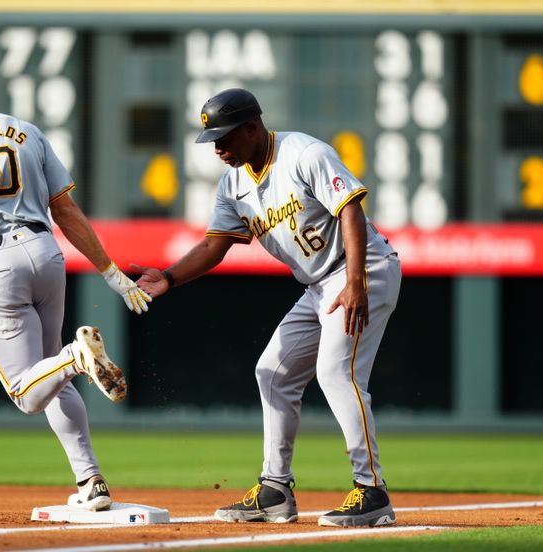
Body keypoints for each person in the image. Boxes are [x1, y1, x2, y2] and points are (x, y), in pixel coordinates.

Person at [133, 88, 401, 527]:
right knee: (272, 372)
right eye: (212, 139)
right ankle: (275, 490)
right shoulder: (233, 183)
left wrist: (356, 282)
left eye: (225, 137)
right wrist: (169, 277)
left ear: (254, 129)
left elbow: (350, 210)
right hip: (318, 284)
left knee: (337, 372)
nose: (217, 147)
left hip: (363, 267)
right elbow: (214, 246)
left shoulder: (304, 153)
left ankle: (372, 492)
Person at [0, 54, 151, 512]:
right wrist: (112, 272)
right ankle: (91, 481)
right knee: (50, 374)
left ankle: (77, 357)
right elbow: (68, 211)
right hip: (46, 252)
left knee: (25, 391)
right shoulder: (26, 130)